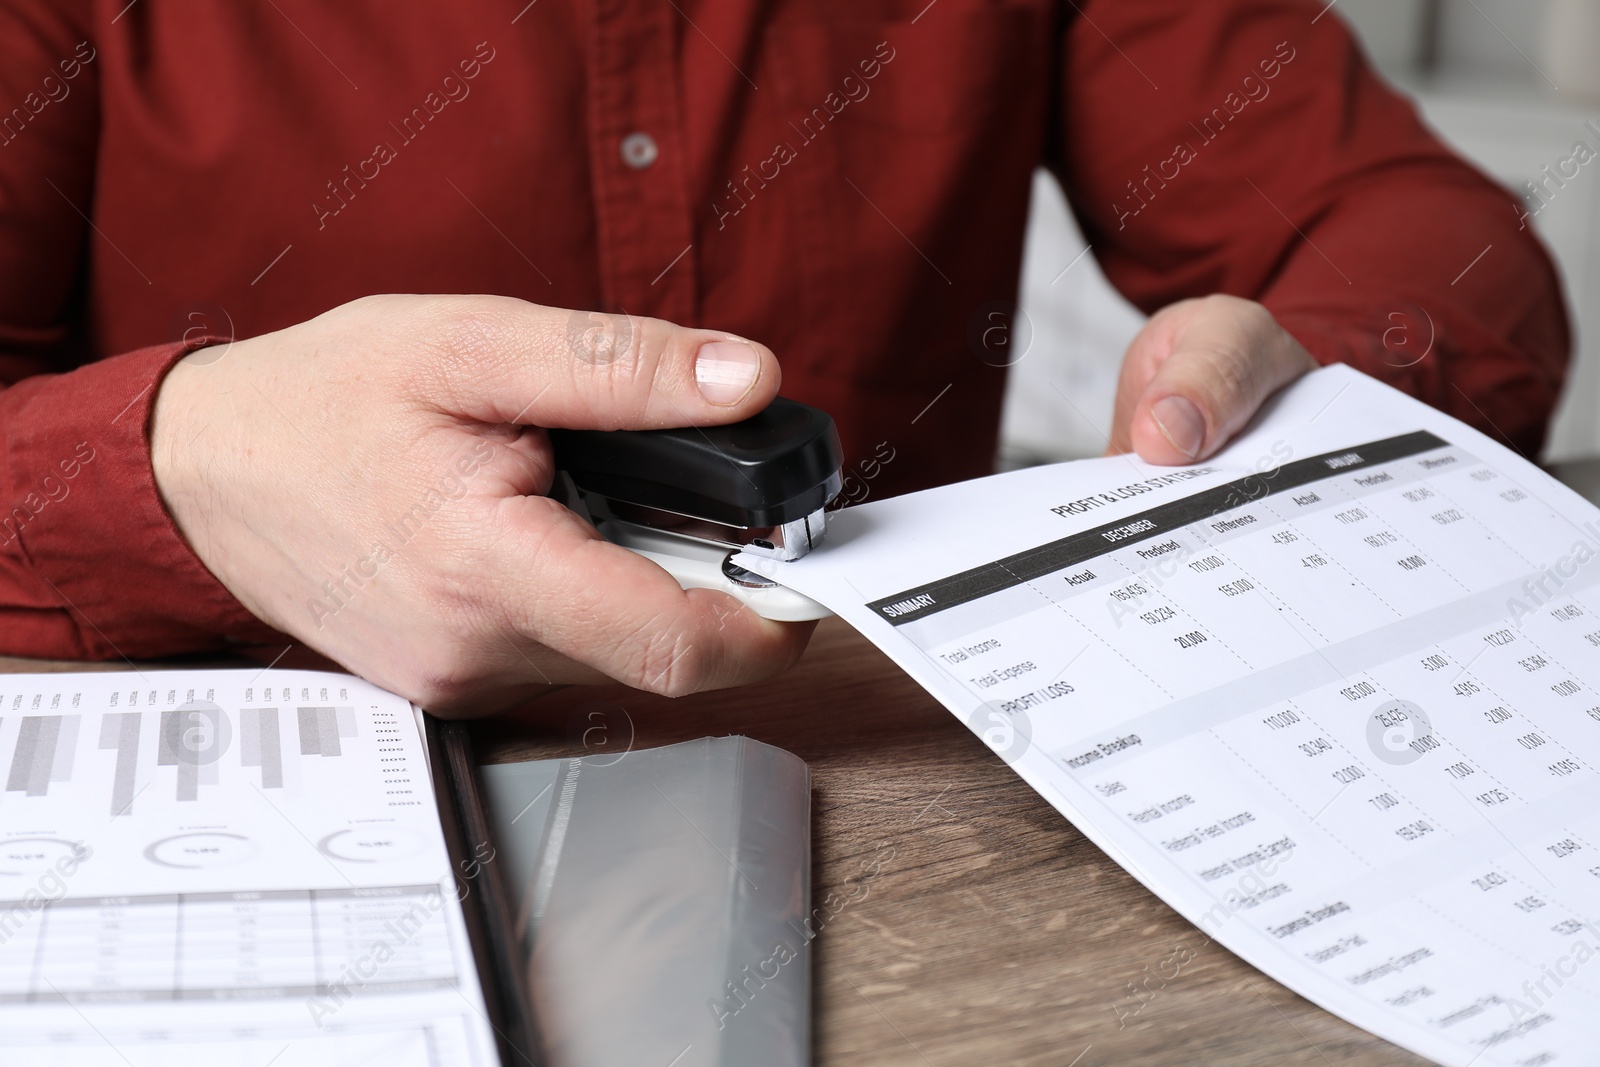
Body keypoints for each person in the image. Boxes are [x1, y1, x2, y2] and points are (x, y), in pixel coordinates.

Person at [0, 1, 1568, 712]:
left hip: (895, 772)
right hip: (249, 793)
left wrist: (1326, 388)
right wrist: (180, 463)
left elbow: (1420, 225)